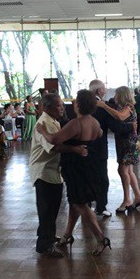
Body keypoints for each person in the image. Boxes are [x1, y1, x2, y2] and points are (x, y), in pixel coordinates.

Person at [37, 90, 112, 256]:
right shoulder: (94, 122)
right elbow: (99, 134)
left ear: (79, 104)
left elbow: (54, 140)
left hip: (75, 167)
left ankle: (101, 238)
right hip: (89, 165)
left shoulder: (76, 123)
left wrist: (42, 130)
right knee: (75, 201)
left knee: (81, 204)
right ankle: (67, 235)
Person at [29, 94, 87, 258]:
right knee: (46, 209)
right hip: (44, 171)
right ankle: (44, 244)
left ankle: (48, 235)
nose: (62, 108)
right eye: (59, 106)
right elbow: (54, 147)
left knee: (53, 207)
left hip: (53, 171)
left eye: (62, 105)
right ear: (48, 108)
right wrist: (75, 149)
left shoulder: (53, 121)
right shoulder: (43, 123)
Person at [89, 80, 135, 218]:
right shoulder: (101, 106)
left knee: (89, 175)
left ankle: (87, 204)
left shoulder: (85, 103)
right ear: (98, 91)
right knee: (102, 177)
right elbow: (116, 125)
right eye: (104, 88)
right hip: (99, 145)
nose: (106, 90)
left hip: (84, 145)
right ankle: (100, 206)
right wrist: (131, 127)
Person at [97, 86, 140, 213]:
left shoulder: (129, 107)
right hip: (125, 142)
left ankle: (127, 200)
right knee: (129, 171)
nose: (114, 97)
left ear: (122, 96)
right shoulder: (123, 107)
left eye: (116, 94)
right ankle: (138, 197)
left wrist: (104, 106)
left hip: (128, 142)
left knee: (123, 170)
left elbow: (120, 117)